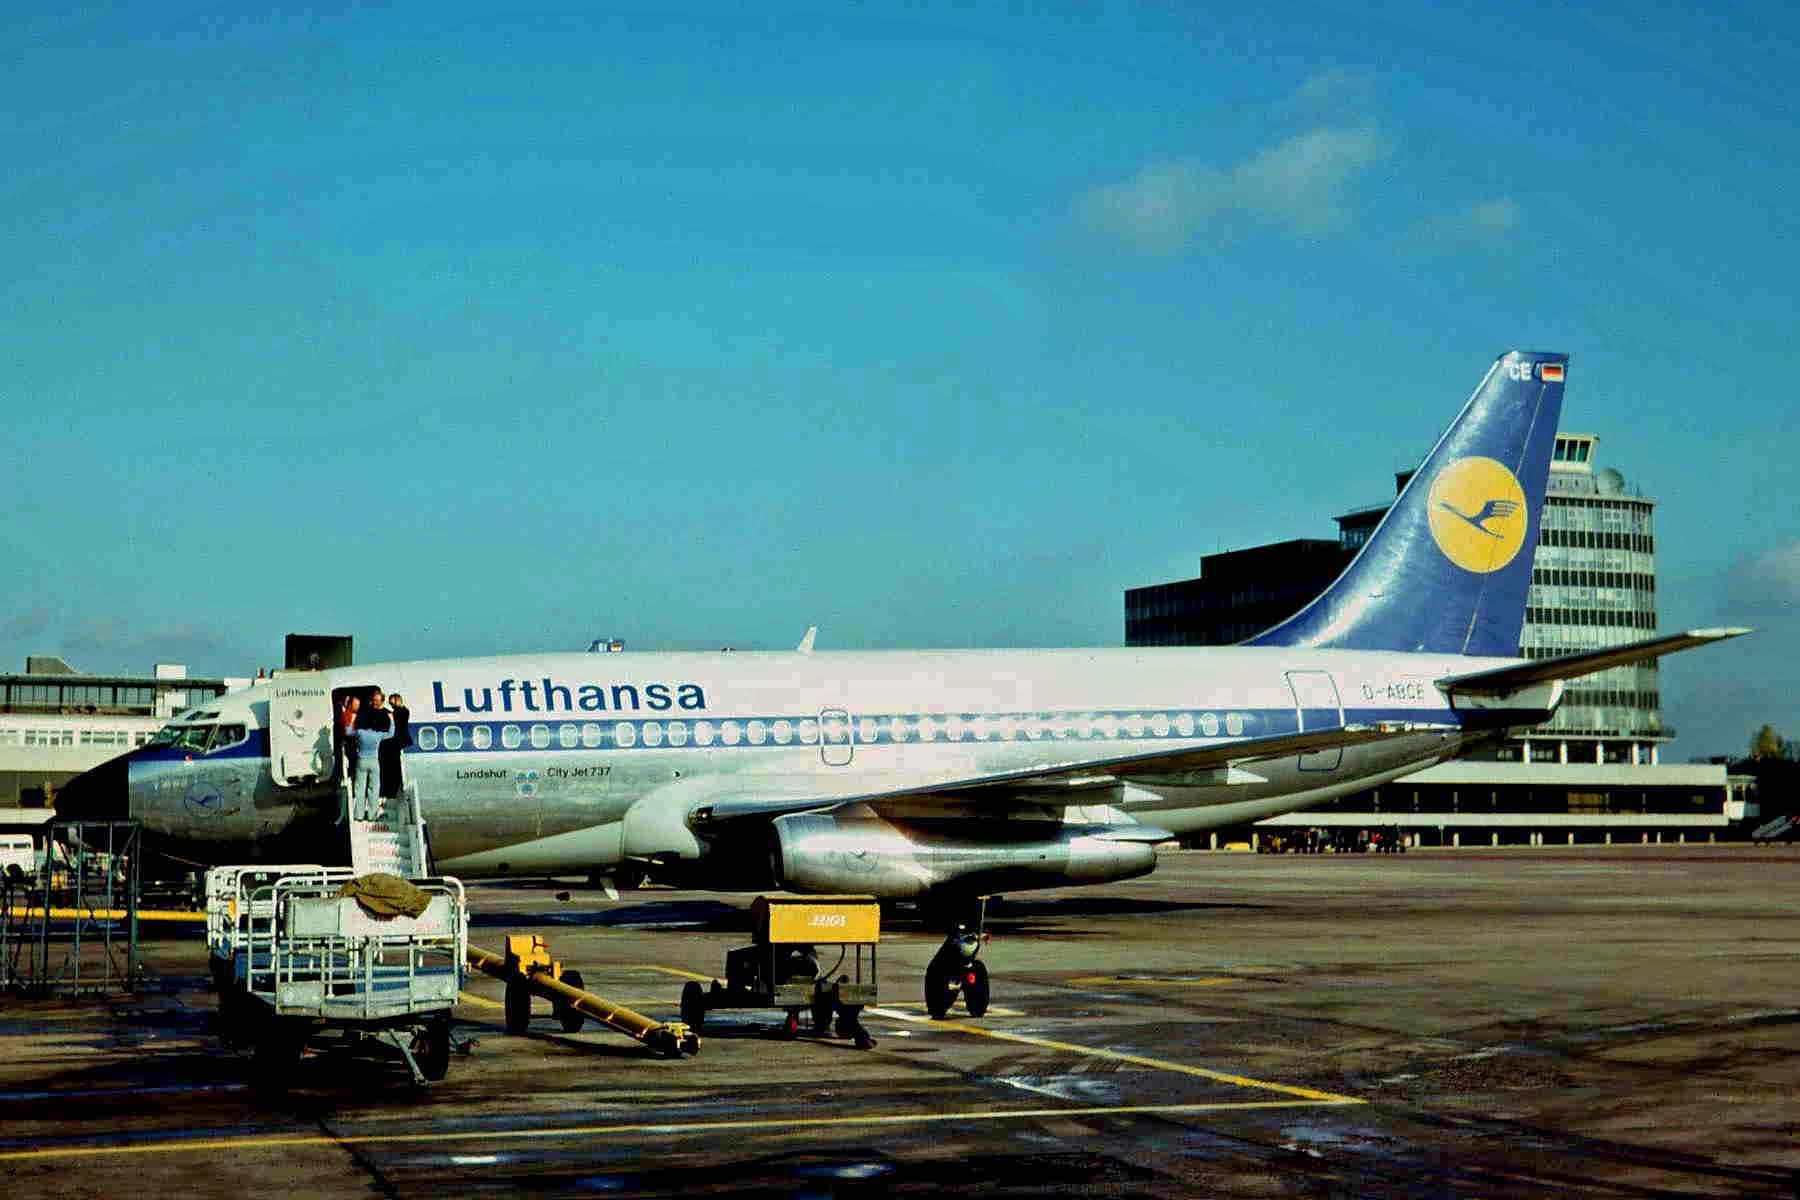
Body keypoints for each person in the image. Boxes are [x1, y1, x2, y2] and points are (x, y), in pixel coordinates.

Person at [351, 692, 393, 820]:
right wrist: (392, 721)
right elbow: (391, 733)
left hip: (363, 759)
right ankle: (372, 815)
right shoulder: (377, 732)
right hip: (374, 760)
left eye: (377, 700)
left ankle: (359, 815)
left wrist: (352, 719)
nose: (375, 702)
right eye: (374, 700)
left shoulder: (361, 731)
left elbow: (349, 732)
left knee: (360, 789)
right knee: (373, 788)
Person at [380, 692, 412, 800]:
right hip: (399, 741)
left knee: (394, 767)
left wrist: (389, 715)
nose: (390, 704)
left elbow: (396, 720)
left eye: (391, 702)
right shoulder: (403, 711)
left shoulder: (400, 712)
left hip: (398, 741)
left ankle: (391, 791)